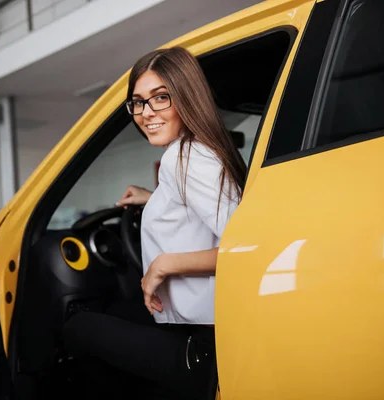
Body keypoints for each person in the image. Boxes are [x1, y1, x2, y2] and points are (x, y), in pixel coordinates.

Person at [62, 46, 247, 399]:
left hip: (206, 338)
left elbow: (248, 250)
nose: (147, 113)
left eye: (161, 98)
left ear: (186, 97)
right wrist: (154, 197)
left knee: (79, 328)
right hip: (194, 319)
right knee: (115, 311)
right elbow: (205, 204)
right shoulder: (192, 151)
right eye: (138, 102)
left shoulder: (189, 159)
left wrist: (165, 265)